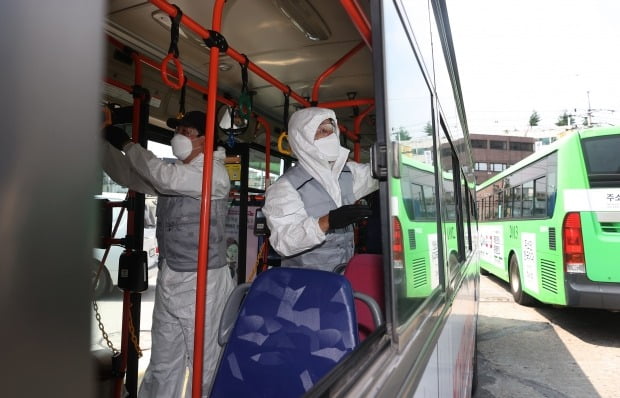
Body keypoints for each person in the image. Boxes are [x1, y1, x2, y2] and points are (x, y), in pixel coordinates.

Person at [101, 110, 234, 397]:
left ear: (205, 140)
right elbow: (129, 175)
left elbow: (163, 177)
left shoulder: (213, 173)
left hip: (204, 282)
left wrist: (127, 144)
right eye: (177, 132)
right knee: (164, 360)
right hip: (171, 274)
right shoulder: (179, 173)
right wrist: (102, 143)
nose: (178, 138)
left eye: (186, 133)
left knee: (204, 362)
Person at [262, 107, 378, 272]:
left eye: (332, 131)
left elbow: (376, 174)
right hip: (306, 285)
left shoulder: (346, 173)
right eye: (323, 131)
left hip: (344, 279)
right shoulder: (285, 187)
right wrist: (326, 222)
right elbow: (284, 241)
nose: (330, 137)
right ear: (304, 138)